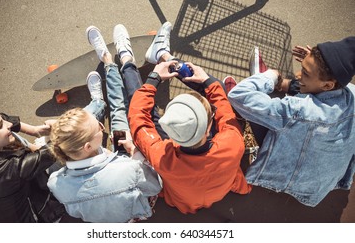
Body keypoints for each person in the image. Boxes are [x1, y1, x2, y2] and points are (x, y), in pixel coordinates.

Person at [112, 22, 251, 214]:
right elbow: (224, 111)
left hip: (180, 199)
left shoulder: (162, 156)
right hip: (213, 193)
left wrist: (153, 79)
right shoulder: (233, 143)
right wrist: (208, 82)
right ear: (210, 124)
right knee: (214, 89)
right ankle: (161, 56)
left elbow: (138, 118)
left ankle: (127, 59)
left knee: (147, 113)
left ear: (169, 134)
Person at [46, 26, 162, 223]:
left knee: (118, 113)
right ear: (88, 146)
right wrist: (135, 155)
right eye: (98, 127)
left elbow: (75, 212)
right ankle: (109, 63)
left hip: (110, 163)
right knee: (119, 111)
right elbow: (156, 185)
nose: (102, 127)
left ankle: (106, 69)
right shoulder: (128, 170)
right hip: (124, 164)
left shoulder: (56, 183)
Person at [227, 36, 355, 207]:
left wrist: (270, 77)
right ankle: (280, 85)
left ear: (328, 85)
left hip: (293, 181)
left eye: (306, 73)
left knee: (258, 112)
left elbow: (238, 95)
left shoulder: (300, 111)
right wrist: (316, 64)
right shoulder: (350, 92)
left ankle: (265, 82)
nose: (298, 73)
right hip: (324, 183)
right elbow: (316, 91)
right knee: (302, 95)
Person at [0, 106, 65, 222]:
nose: (8, 124)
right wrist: (61, 129)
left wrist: (33, 130)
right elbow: (51, 152)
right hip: (39, 219)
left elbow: (1, 118)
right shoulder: (9, 169)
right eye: (1, 125)